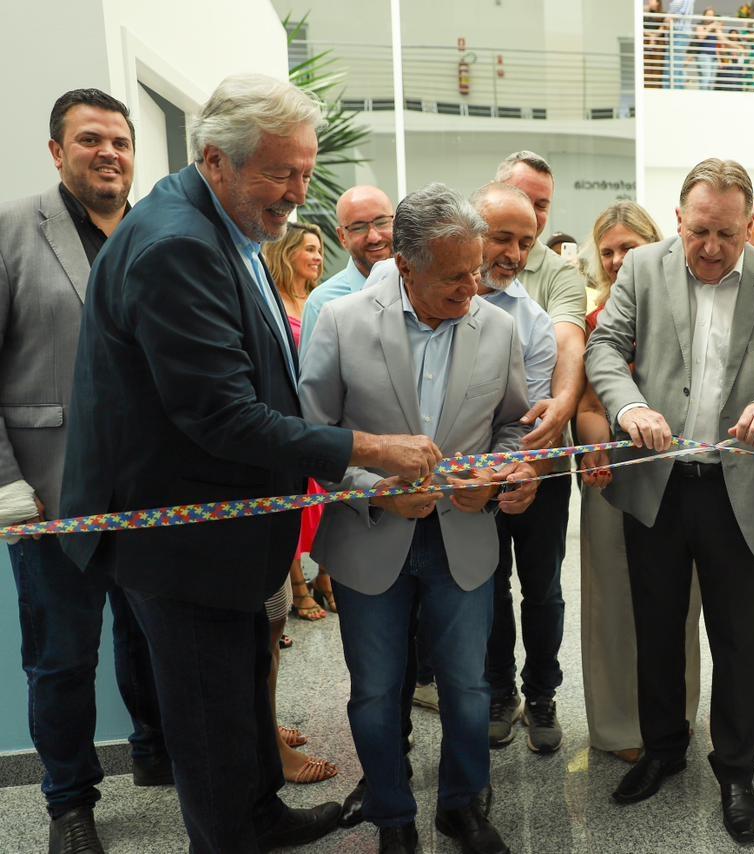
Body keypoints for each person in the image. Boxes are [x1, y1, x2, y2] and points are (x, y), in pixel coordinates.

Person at [58, 73, 443, 853]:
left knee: (240, 702)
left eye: (305, 173)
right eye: (280, 173)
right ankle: (234, 835)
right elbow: (221, 416)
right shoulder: (177, 247)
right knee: (211, 726)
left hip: (227, 542)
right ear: (217, 159)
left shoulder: (218, 226)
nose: (297, 195)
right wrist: (371, 451)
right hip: (186, 547)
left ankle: (260, 816)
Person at [586, 158, 754, 844]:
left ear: (750, 226)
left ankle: (736, 767)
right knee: (657, 628)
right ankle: (663, 750)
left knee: (738, 637)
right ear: (678, 219)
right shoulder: (643, 270)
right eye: (699, 232)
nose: (712, 248)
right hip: (658, 484)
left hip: (737, 487)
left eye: (726, 234)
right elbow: (605, 348)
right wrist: (629, 406)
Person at [300, 183, 536, 854]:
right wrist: (375, 489)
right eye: (455, 275)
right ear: (405, 265)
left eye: (476, 270)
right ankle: (393, 817)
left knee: (467, 688)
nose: (472, 288)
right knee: (375, 693)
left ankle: (461, 805)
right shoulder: (344, 322)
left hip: (463, 539)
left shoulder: (497, 325)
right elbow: (311, 436)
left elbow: (514, 428)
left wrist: (496, 477)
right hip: (370, 542)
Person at [0, 87, 169, 854]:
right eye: (90, 139)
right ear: (57, 150)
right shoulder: (12, 231)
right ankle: (69, 804)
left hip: (153, 495)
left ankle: (159, 756)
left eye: (121, 141)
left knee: (155, 639)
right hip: (48, 494)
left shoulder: (157, 235)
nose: (109, 152)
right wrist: (7, 485)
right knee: (62, 659)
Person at [576, 201, 703, 763]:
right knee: (612, 602)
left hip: (681, 474)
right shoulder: (596, 318)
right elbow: (586, 401)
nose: (618, 259)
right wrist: (599, 444)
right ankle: (617, 726)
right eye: (607, 251)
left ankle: (675, 717)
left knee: (680, 604)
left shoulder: (693, 305)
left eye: (629, 247)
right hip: (615, 474)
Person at [475, 151, 587, 753]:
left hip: (541, 456)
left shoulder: (549, 284)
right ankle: (498, 692)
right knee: (486, 583)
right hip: (472, 468)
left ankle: (541, 693)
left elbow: (567, 346)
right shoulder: (455, 280)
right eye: (515, 214)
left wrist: (559, 412)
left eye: (541, 208)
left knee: (541, 586)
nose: (526, 233)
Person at [264, 222, 330, 623]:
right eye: (309, 248)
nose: (317, 257)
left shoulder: (321, 302)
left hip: (322, 415)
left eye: (320, 249)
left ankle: (326, 577)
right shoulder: (273, 301)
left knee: (330, 502)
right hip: (288, 416)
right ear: (287, 253)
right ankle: (299, 588)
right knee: (294, 502)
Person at [299, 184, 395, 354]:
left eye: (381, 222)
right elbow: (314, 379)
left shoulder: (420, 288)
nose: (374, 237)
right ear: (342, 237)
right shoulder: (321, 304)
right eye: (359, 227)